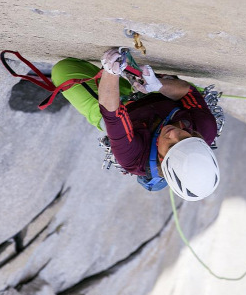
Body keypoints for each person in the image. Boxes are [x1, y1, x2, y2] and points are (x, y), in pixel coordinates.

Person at [51, 48, 220, 201]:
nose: (173, 133)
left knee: (63, 70)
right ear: (196, 138)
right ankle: (152, 80)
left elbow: (113, 114)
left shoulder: (133, 158)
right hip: (161, 98)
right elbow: (187, 92)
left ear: (161, 159)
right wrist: (159, 85)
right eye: (184, 137)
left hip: (124, 112)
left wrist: (111, 71)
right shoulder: (205, 128)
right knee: (195, 94)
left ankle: (127, 83)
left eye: (170, 145)